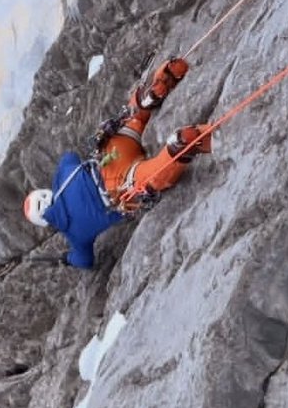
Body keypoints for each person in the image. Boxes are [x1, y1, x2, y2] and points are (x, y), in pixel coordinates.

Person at [22, 58, 212, 269]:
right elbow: (69, 157)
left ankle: (178, 147)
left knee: (149, 177)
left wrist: (67, 258)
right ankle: (145, 99)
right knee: (132, 122)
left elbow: (85, 261)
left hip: (118, 188)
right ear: (46, 193)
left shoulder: (75, 235)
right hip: (109, 155)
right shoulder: (64, 175)